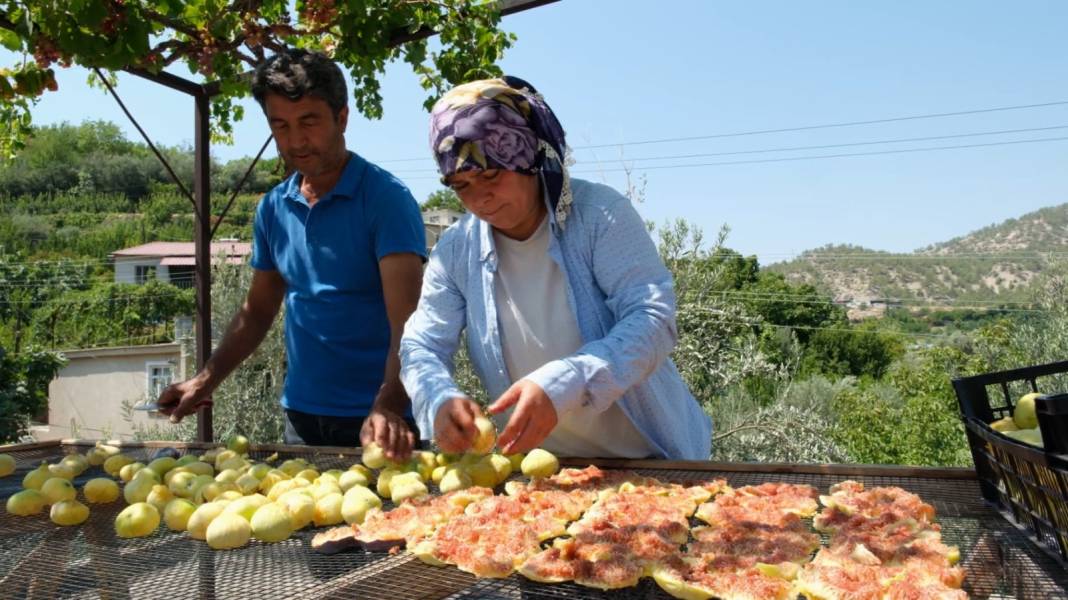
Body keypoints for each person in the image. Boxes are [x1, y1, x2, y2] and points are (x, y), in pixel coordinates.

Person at [399, 76, 711, 460]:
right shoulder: (455, 251)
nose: (479, 198)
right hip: (544, 472)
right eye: (461, 186)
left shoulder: (600, 217)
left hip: (648, 459)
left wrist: (567, 381)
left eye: (491, 175)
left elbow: (653, 319)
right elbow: (422, 344)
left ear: (527, 156)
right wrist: (437, 397)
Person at [158, 49, 426, 460]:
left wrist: (389, 403)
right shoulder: (273, 208)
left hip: (381, 421)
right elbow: (257, 312)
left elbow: (408, 324)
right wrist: (205, 380)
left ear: (342, 118)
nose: (296, 141)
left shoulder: (386, 201)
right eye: (280, 126)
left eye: (309, 122)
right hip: (300, 417)